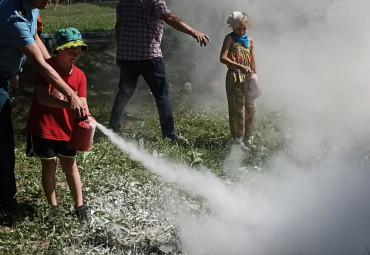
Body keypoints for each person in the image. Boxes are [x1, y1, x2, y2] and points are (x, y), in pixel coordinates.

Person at [0, 0, 86, 212]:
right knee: (2, 140)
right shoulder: (13, 15)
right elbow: (38, 62)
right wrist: (69, 94)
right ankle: (7, 202)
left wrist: (55, 69)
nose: (50, 1)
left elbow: (35, 38)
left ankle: (3, 182)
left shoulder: (33, 7)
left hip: (3, 77)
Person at [108, 0, 210, 140]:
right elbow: (169, 18)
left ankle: (113, 129)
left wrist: (120, 51)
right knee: (162, 95)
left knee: (124, 93)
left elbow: (119, 26)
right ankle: (169, 135)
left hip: (128, 55)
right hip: (149, 55)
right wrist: (193, 32)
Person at [26, 27, 92, 221]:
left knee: (71, 165)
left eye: (79, 50)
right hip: (45, 129)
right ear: (59, 50)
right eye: (71, 50)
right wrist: (69, 104)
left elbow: (83, 102)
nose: (76, 54)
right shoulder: (46, 69)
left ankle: (80, 206)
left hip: (68, 131)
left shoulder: (80, 75)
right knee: (49, 166)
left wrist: (87, 123)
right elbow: (43, 97)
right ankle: (52, 208)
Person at [220, 11, 258, 150]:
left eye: (244, 28)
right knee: (238, 110)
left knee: (251, 108)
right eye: (238, 28)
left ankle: (248, 138)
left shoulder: (251, 41)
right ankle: (237, 140)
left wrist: (256, 78)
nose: (241, 31)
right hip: (234, 78)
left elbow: (253, 61)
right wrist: (239, 66)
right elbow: (223, 58)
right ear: (232, 27)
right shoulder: (230, 39)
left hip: (248, 78)